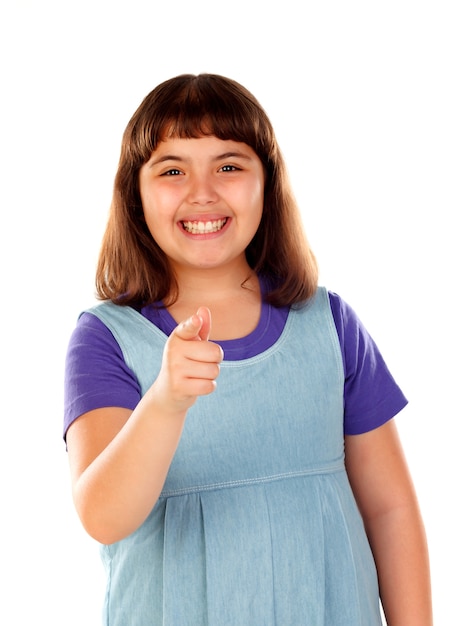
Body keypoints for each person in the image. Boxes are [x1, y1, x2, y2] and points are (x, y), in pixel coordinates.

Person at [63, 73, 432, 626]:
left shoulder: (328, 324)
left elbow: (391, 508)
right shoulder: (105, 339)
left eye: (229, 166)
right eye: (171, 170)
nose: (202, 191)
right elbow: (103, 516)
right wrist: (164, 403)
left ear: (269, 183)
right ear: (135, 195)